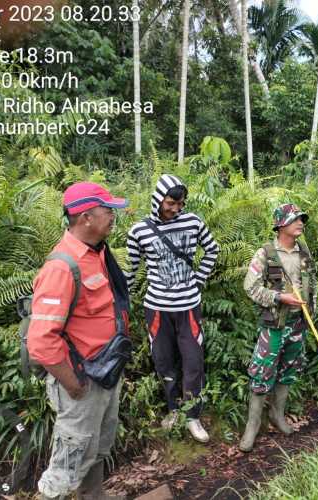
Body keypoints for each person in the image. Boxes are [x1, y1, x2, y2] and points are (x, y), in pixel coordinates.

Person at [28, 182, 130, 500]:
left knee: (98, 446)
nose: (113, 216)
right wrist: (74, 385)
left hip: (106, 371)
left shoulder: (97, 253)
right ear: (86, 217)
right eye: (107, 210)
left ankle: (94, 496)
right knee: (67, 463)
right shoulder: (62, 267)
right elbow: (42, 342)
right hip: (82, 380)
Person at [125, 174, 219, 443]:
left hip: (188, 306)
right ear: (158, 200)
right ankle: (174, 410)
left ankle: (193, 416)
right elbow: (131, 270)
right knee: (164, 361)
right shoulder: (139, 231)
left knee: (193, 361)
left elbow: (212, 249)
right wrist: (123, 301)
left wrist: (199, 279)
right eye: (171, 203)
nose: (176, 209)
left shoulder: (193, 222)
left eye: (180, 204)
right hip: (156, 309)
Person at [239, 204, 317, 452]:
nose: (301, 223)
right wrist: (279, 298)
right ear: (281, 225)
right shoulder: (266, 253)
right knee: (262, 373)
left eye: (302, 219)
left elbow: (311, 280)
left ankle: (277, 415)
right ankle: (252, 425)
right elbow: (250, 287)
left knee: (289, 370)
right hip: (275, 325)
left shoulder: (303, 251)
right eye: (295, 219)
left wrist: (311, 311)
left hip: (299, 323)